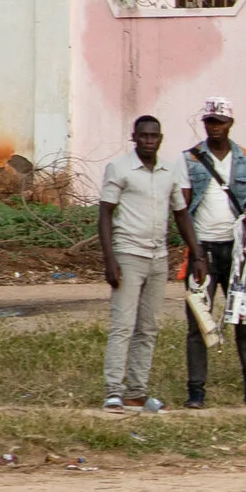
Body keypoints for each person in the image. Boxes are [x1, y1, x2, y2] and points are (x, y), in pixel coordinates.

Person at [180, 99, 246, 411]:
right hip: (203, 250)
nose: (215, 126)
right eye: (210, 120)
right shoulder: (191, 158)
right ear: (204, 123)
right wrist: (195, 253)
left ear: (230, 124)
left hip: (237, 251)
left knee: (245, 319)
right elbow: (182, 208)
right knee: (199, 322)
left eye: (220, 121)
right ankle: (196, 390)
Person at [98, 115, 197, 414]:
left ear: (160, 138)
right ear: (134, 137)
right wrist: (110, 259)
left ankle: (137, 392)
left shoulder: (170, 172)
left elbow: (181, 214)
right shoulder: (119, 168)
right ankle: (113, 391)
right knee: (123, 326)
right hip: (128, 254)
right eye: (143, 136)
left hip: (158, 257)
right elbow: (105, 214)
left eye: (154, 136)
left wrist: (198, 253)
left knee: (149, 327)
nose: (149, 141)